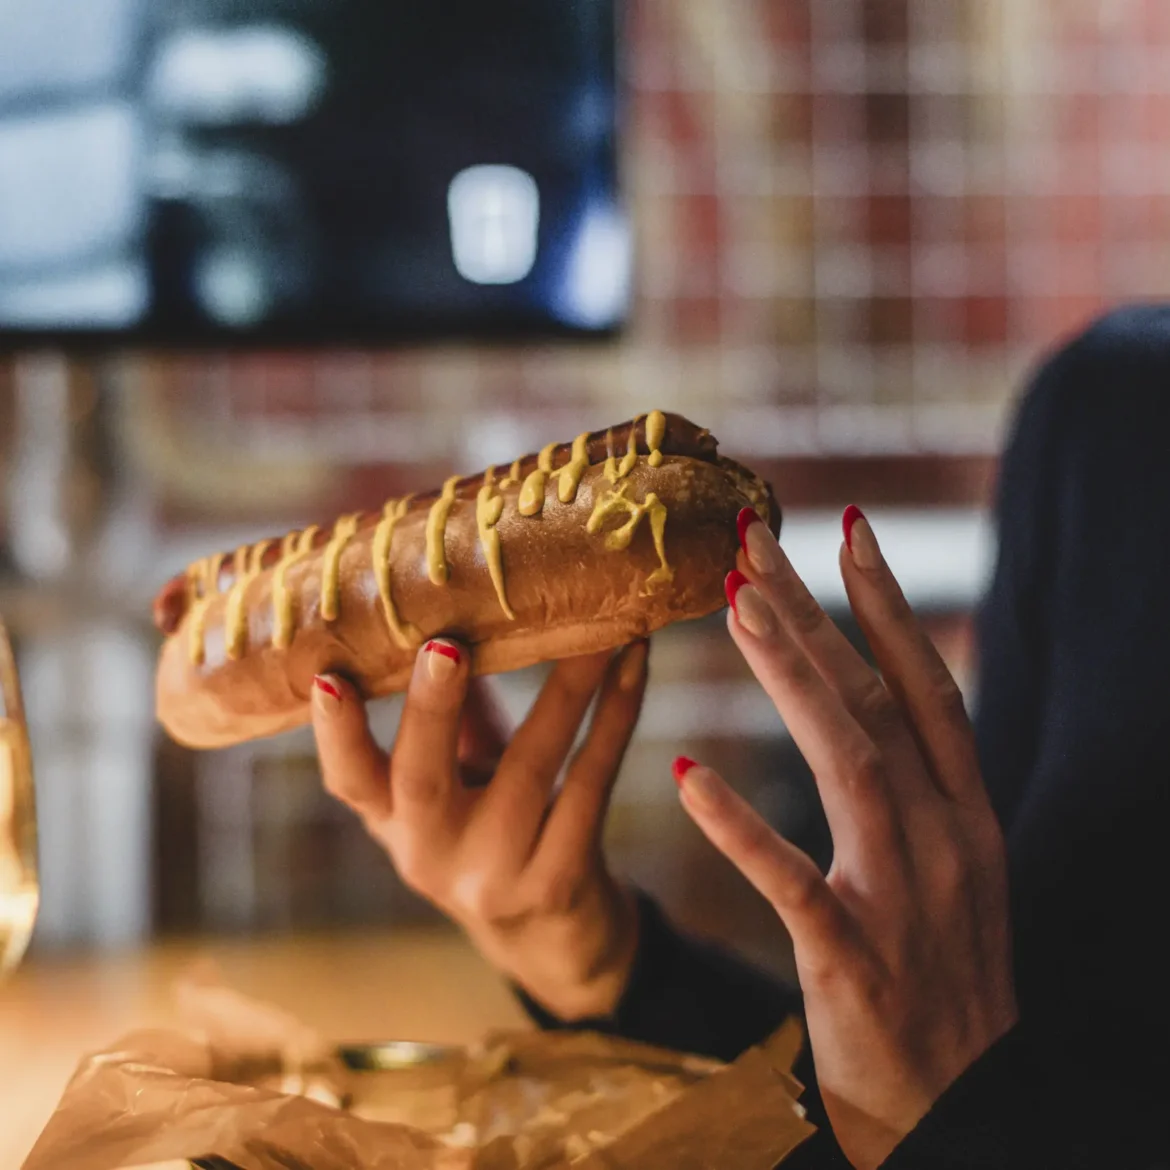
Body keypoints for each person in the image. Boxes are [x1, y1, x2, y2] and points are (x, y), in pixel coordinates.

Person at [308, 307, 1168, 1168]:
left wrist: (958, 1121)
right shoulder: (1118, 416)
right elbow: (994, 1087)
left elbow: (966, 1108)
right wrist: (605, 963)